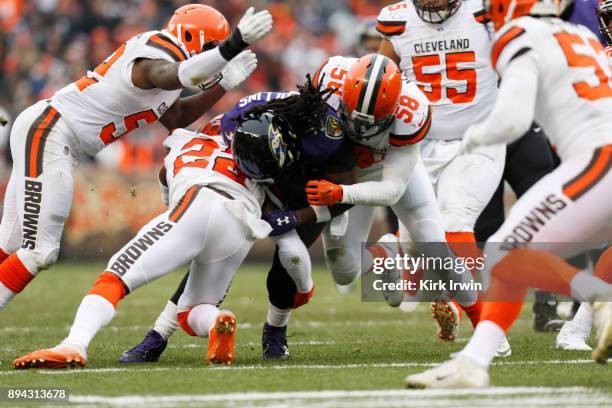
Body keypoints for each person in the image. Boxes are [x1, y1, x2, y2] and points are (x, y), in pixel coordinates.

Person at [0, 4, 273, 311]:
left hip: (52, 133)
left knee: (9, 245)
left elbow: (178, 116)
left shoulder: (171, 64)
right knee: (40, 251)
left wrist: (222, 84)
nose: (215, 55)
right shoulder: (158, 54)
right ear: (189, 36)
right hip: (50, 132)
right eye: (211, 46)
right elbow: (174, 75)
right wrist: (232, 46)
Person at [405, 0, 612, 388]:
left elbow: (513, 118)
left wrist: (475, 136)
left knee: (502, 254)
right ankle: (473, 363)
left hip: (596, 162)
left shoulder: (518, 34)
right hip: (595, 158)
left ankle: (598, 299)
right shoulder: (582, 35)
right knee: (505, 253)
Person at [11, 111, 306, 368]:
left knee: (114, 278)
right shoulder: (257, 167)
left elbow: (165, 176)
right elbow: (289, 240)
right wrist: (305, 288)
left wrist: (172, 205)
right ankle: (217, 319)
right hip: (240, 227)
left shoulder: (183, 141)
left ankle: (74, 344)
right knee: (193, 309)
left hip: (197, 203)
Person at [118, 76, 358, 363]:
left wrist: (298, 216)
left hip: (312, 191)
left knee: (290, 260)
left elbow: (347, 196)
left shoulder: (327, 141)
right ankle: (157, 336)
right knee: (210, 251)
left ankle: (276, 329)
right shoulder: (240, 124)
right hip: (258, 180)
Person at [376, 0, 507, 341]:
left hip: (476, 139)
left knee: (454, 222)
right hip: (417, 142)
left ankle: (487, 325)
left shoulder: (486, 13)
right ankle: (446, 296)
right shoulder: (397, 20)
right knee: (421, 241)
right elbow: (380, 81)